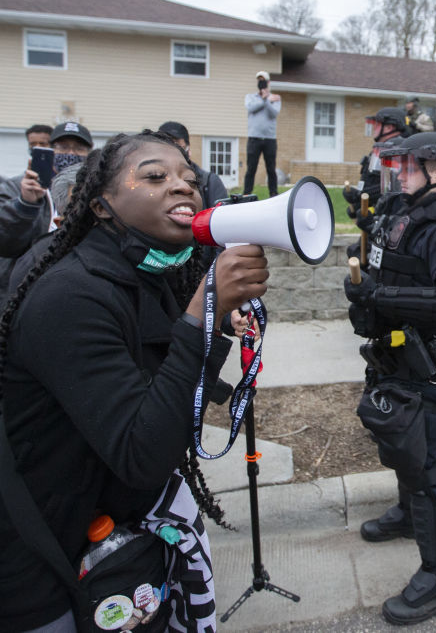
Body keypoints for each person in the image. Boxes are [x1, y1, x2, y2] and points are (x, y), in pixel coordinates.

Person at [0, 131, 269, 631]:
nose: (183, 187)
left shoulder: (150, 272)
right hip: (40, 559)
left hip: (107, 533)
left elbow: (175, 412)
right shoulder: (69, 295)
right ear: (101, 207)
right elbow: (143, 454)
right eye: (154, 176)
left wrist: (208, 315)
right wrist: (202, 312)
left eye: (190, 180)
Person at [344, 132, 436, 625]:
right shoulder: (397, 215)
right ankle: (409, 517)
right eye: (398, 166)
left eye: (410, 167)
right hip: (396, 356)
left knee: (427, 471)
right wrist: (362, 283)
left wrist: (377, 300)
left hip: (432, 365)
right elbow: (379, 265)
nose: (399, 174)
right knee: (401, 447)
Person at [0, 121, 94, 294]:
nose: (71, 153)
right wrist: (25, 204)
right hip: (21, 286)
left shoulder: (96, 191)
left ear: (89, 153)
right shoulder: (16, 187)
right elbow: (6, 244)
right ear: (51, 150)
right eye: (63, 147)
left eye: (79, 148)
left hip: (74, 283)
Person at [157, 121, 229, 211]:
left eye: (178, 147)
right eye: (164, 148)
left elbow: (220, 219)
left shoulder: (209, 183)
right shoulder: (151, 182)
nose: (171, 153)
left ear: (188, 150)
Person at [243, 70, 281, 196]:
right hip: (254, 138)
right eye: (259, 80)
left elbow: (273, 113)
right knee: (251, 169)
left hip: (270, 139)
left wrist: (267, 101)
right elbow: (250, 108)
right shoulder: (250, 97)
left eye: (263, 80)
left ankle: (273, 194)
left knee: (271, 169)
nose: (261, 82)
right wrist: (264, 99)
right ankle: (247, 194)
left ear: (268, 82)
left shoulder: (275, 98)